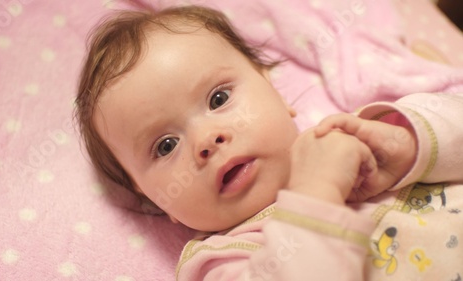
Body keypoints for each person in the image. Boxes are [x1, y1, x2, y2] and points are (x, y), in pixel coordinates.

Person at [75, 5, 463, 280]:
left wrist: (411, 144)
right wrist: (316, 194)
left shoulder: (361, 135)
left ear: (274, 91)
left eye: (218, 100)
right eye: (164, 146)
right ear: (156, 202)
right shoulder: (222, 261)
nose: (206, 141)